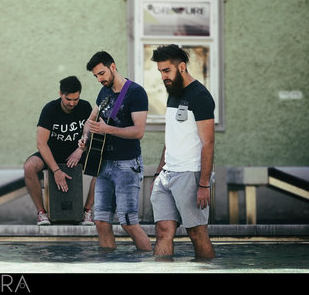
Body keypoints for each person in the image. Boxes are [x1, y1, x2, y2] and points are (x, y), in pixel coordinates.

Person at [79, 51, 152, 251]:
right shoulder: (104, 92)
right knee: (101, 222)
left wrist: (107, 129)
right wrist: (85, 137)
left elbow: (139, 131)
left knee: (128, 222)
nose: (99, 79)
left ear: (113, 66)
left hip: (127, 165)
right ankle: (107, 267)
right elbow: (90, 120)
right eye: (95, 76)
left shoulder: (135, 92)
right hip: (104, 164)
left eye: (101, 73)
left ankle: (151, 265)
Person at [150, 44, 215, 259]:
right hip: (168, 174)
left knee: (197, 233)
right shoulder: (173, 93)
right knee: (162, 231)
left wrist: (203, 184)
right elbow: (171, 137)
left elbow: (208, 143)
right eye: (160, 71)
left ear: (182, 67)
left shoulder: (200, 96)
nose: (163, 76)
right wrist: (160, 171)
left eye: (166, 70)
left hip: (190, 173)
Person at [23, 76, 96, 225]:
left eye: (76, 99)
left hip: (77, 152)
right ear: (60, 94)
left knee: (104, 166)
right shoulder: (50, 109)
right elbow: (41, 143)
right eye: (68, 99)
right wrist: (56, 171)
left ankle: (87, 212)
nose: (72, 103)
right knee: (29, 167)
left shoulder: (85, 107)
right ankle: (42, 213)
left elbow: (92, 136)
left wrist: (81, 149)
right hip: (52, 153)